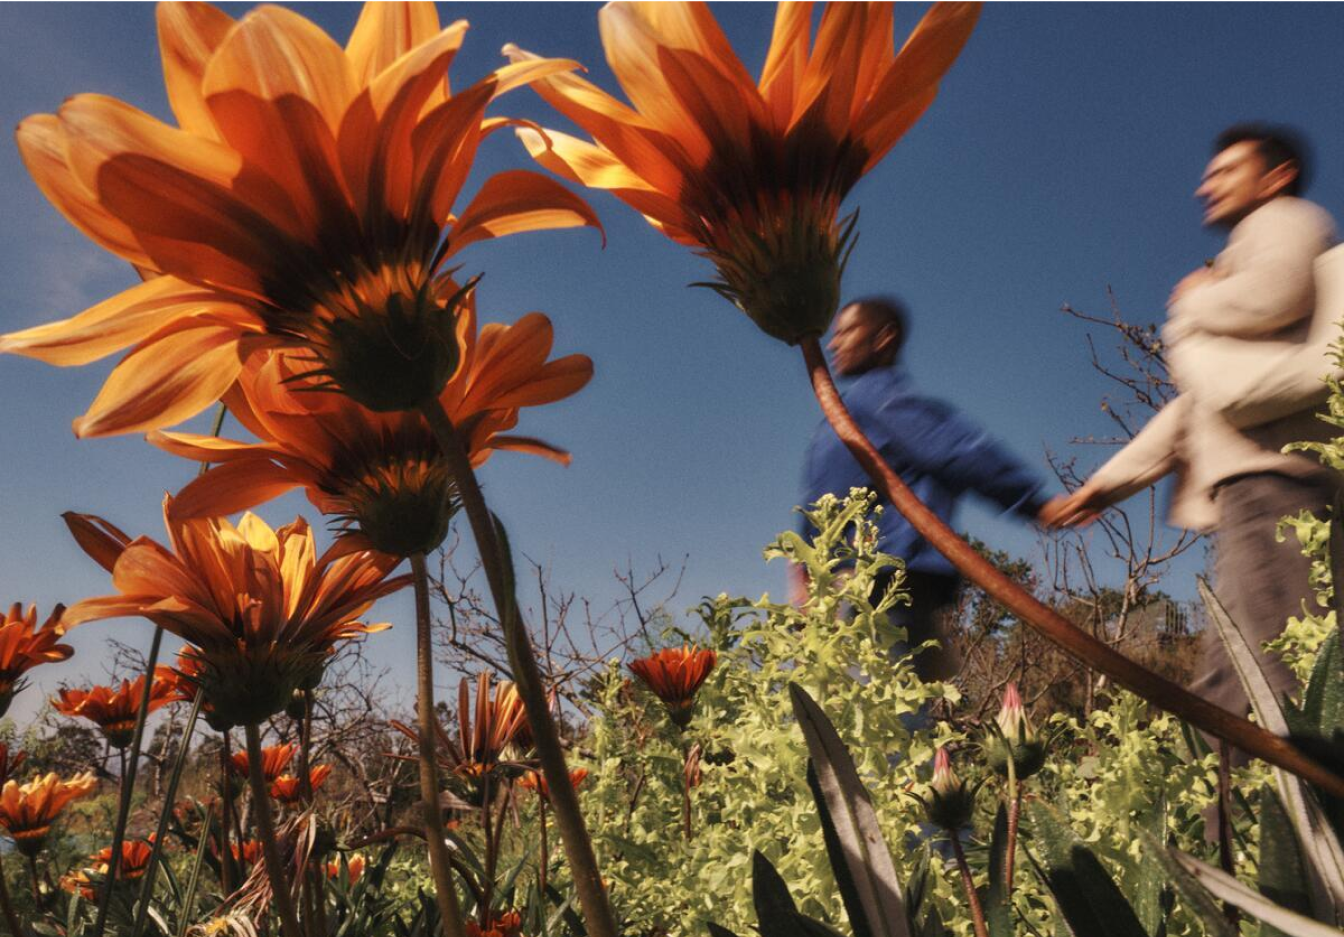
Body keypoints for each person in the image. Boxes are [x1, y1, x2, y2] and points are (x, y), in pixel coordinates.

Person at [1045, 124, 1341, 728]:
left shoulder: (1285, 219)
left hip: (1278, 483)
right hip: (1256, 490)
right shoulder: (1249, 256)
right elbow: (1196, 408)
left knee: (1276, 685)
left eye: (1227, 170)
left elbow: (1274, 294)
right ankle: (1228, 820)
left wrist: (1192, 303)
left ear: (1276, 175)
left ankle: (1285, 819)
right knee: (1234, 683)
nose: (1208, 184)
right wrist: (1104, 487)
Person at [794, 297, 1061, 683]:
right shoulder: (845, 411)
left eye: (847, 332)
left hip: (882, 586)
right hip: (844, 589)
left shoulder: (878, 399)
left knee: (885, 721)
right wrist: (802, 570)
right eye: (833, 336)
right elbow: (819, 503)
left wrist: (1032, 501)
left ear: (884, 338)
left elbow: (955, 450)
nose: (834, 344)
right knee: (852, 716)